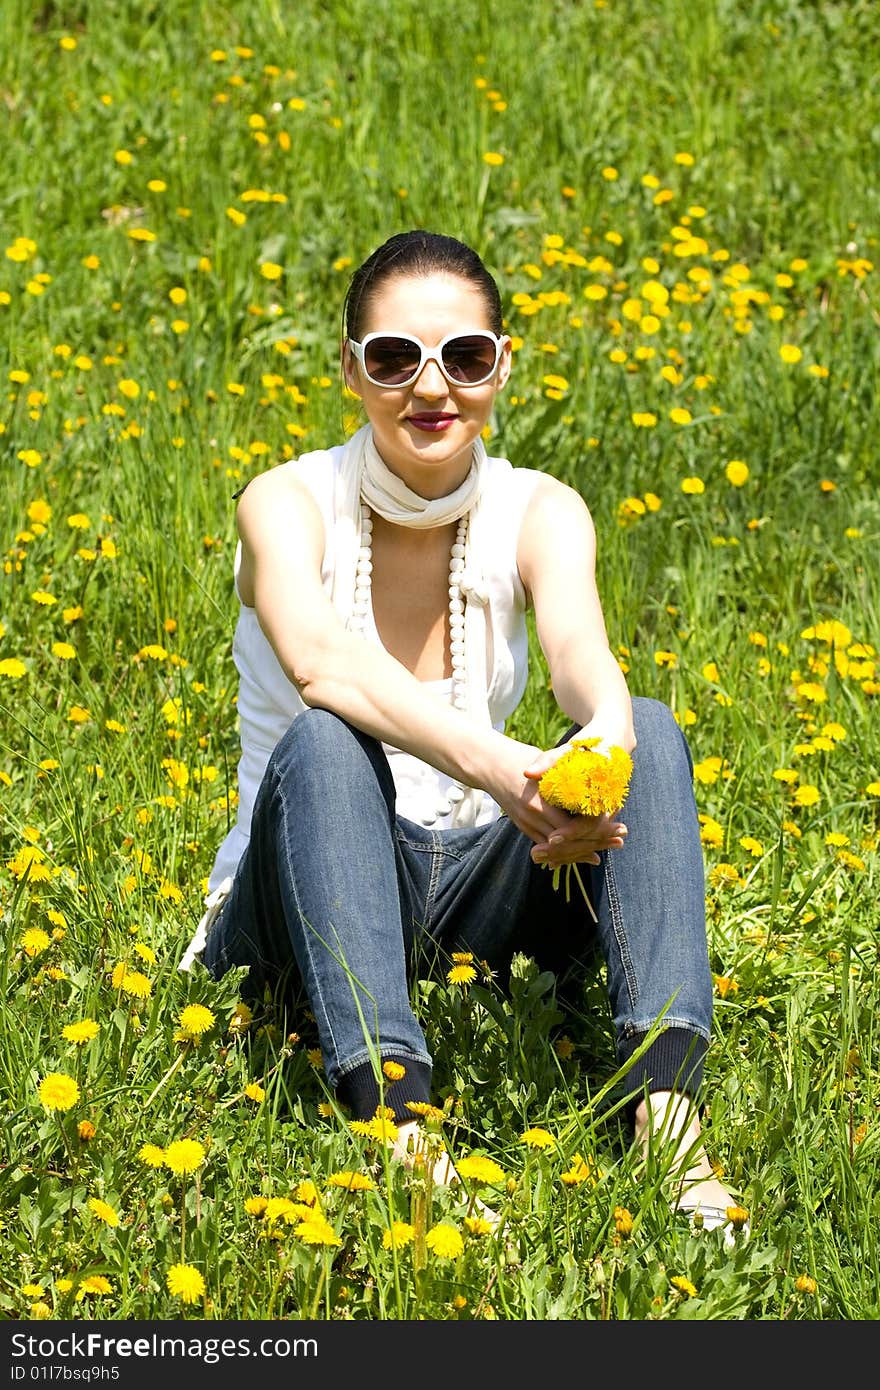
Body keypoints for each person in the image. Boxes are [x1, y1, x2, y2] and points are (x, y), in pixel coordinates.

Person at [180, 228, 747, 1238]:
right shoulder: (285, 502)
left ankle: (666, 1116)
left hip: (467, 889)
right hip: (297, 894)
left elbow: (580, 653)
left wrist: (601, 750)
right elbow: (317, 658)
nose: (430, 386)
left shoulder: (541, 509)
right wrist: (498, 765)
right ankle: (399, 1124)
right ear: (350, 371)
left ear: (502, 365)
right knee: (322, 738)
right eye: (395, 357)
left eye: (466, 356)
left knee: (650, 730)